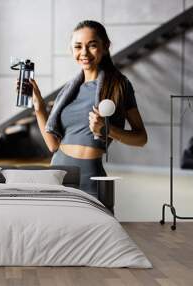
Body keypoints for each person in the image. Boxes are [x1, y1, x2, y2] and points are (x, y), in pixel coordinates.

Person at [30, 20, 147, 197]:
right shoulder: (68, 90)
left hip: (92, 178)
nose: (84, 53)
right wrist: (39, 108)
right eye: (78, 47)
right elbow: (53, 144)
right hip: (58, 174)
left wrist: (108, 130)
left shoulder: (119, 86)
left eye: (92, 45)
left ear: (105, 46)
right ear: (72, 50)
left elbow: (141, 139)